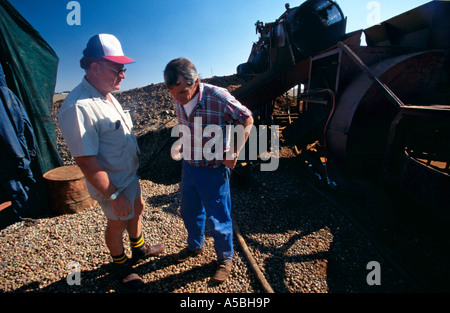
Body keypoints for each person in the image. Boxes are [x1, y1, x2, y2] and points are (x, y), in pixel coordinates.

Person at [58, 34, 164, 289]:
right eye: (118, 69)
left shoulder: (105, 93)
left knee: (137, 209)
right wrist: (115, 196)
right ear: (95, 67)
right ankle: (121, 266)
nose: (124, 75)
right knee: (117, 224)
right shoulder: (78, 107)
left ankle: (138, 249)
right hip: (111, 182)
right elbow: (86, 161)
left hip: (128, 174)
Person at [164, 58, 254, 283]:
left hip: (214, 170)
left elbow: (247, 119)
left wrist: (234, 152)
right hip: (189, 167)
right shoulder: (179, 96)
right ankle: (195, 246)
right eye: (173, 94)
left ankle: (225, 259)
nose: (177, 99)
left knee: (218, 218)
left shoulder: (218, 96)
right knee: (189, 211)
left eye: (182, 93)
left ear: (194, 82)